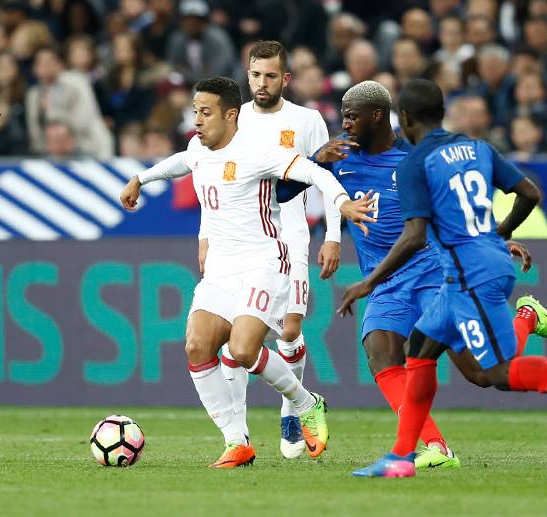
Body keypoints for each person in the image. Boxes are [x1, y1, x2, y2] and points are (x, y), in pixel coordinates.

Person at [342, 79, 547, 478]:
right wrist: (497, 238)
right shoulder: (476, 149)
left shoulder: (415, 164)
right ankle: (403, 455)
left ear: (407, 118)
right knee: (418, 353)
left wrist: (368, 282)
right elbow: (529, 194)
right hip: (467, 269)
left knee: (494, 374)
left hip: (469, 275)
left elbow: (416, 235)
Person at [309, 80, 547, 470]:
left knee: (482, 374)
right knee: (381, 356)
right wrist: (315, 159)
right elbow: (282, 191)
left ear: (378, 116)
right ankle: (436, 446)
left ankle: (527, 317)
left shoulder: (416, 162)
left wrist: (492, 240)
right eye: (343, 115)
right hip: (386, 280)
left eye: (351, 116)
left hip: (433, 272)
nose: (344, 124)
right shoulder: (339, 158)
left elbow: (450, 214)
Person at [119, 76, 376, 468]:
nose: (198, 121)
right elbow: (180, 164)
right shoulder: (197, 148)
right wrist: (142, 178)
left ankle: (306, 403)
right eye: (195, 113)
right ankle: (236, 441)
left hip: (264, 262)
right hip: (221, 269)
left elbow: (315, 173)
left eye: (206, 113)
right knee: (196, 346)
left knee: (241, 349)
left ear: (231, 114)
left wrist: (340, 203)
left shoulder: (258, 151)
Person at [208, 41, 342, 460]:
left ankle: (290, 409)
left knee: (288, 331)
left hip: (293, 235)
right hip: (241, 241)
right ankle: (240, 434)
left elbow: (327, 177)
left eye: (270, 76)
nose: (261, 83)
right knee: (234, 339)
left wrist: (333, 235)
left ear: (285, 78)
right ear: (246, 76)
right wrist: (205, 236)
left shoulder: (307, 121)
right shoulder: (235, 119)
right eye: (255, 75)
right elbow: (213, 180)